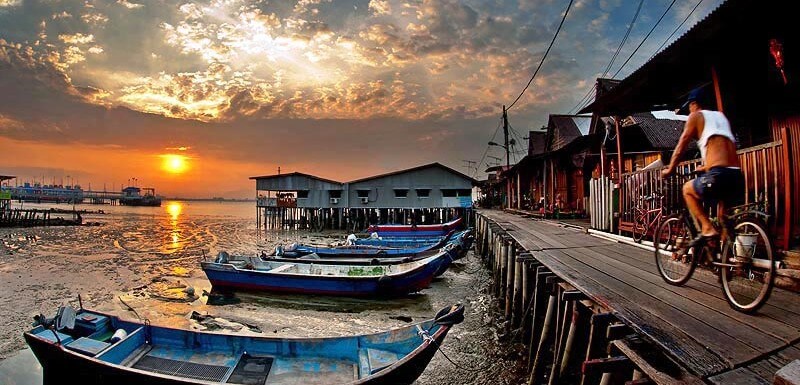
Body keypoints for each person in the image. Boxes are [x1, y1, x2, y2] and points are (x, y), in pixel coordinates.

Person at [661, 87, 743, 248]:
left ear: (694, 104)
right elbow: (722, 148)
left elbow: (681, 146)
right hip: (736, 176)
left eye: (689, 107)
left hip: (718, 175)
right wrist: (706, 167)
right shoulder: (721, 117)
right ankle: (725, 263)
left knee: (687, 190)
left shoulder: (696, 116)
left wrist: (670, 169)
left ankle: (706, 228)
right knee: (722, 217)